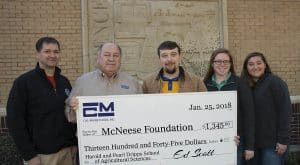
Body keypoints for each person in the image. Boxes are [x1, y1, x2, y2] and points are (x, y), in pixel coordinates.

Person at [6, 37, 77, 165]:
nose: (52, 55)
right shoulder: (23, 83)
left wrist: (73, 144)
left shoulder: (64, 81)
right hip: (41, 155)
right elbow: (14, 121)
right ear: (37, 54)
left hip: (66, 151)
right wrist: (29, 155)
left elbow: (68, 115)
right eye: (47, 51)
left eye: (56, 52)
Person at [65, 42, 141, 122]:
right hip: (92, 133)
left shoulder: (133, 83)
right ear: (98, 59)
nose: (111, 59)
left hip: (124, 132)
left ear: (120, 60)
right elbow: (70, 117)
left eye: (116, 55)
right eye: (107, 55)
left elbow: (142, 112)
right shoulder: (82, 82)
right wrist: (73, 109)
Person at [203, 48, 255, 165]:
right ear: (212, 64)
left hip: (235, 142)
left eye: (226, 61)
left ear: (230, 64)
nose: (222, 64)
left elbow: (249, 116)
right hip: (211, 141)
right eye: (218, 61)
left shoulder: (241, 84)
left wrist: (249, 146)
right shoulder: (204, 85)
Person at [241, 52, 291, 165]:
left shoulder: (275, 82)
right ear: (246, 68)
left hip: (273, 145)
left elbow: (285, 113)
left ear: (265, 65)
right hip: (253, 144)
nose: (255, 67)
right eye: (251, 64)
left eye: (259, 63)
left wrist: (283, 140)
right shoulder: (245, 86)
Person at [142, 41, 207, 93]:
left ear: (180, 57)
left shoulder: (196, 82)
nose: (169, 59)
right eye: (164, 56)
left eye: (173, 54)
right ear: (159, 59)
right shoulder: (148, 83)